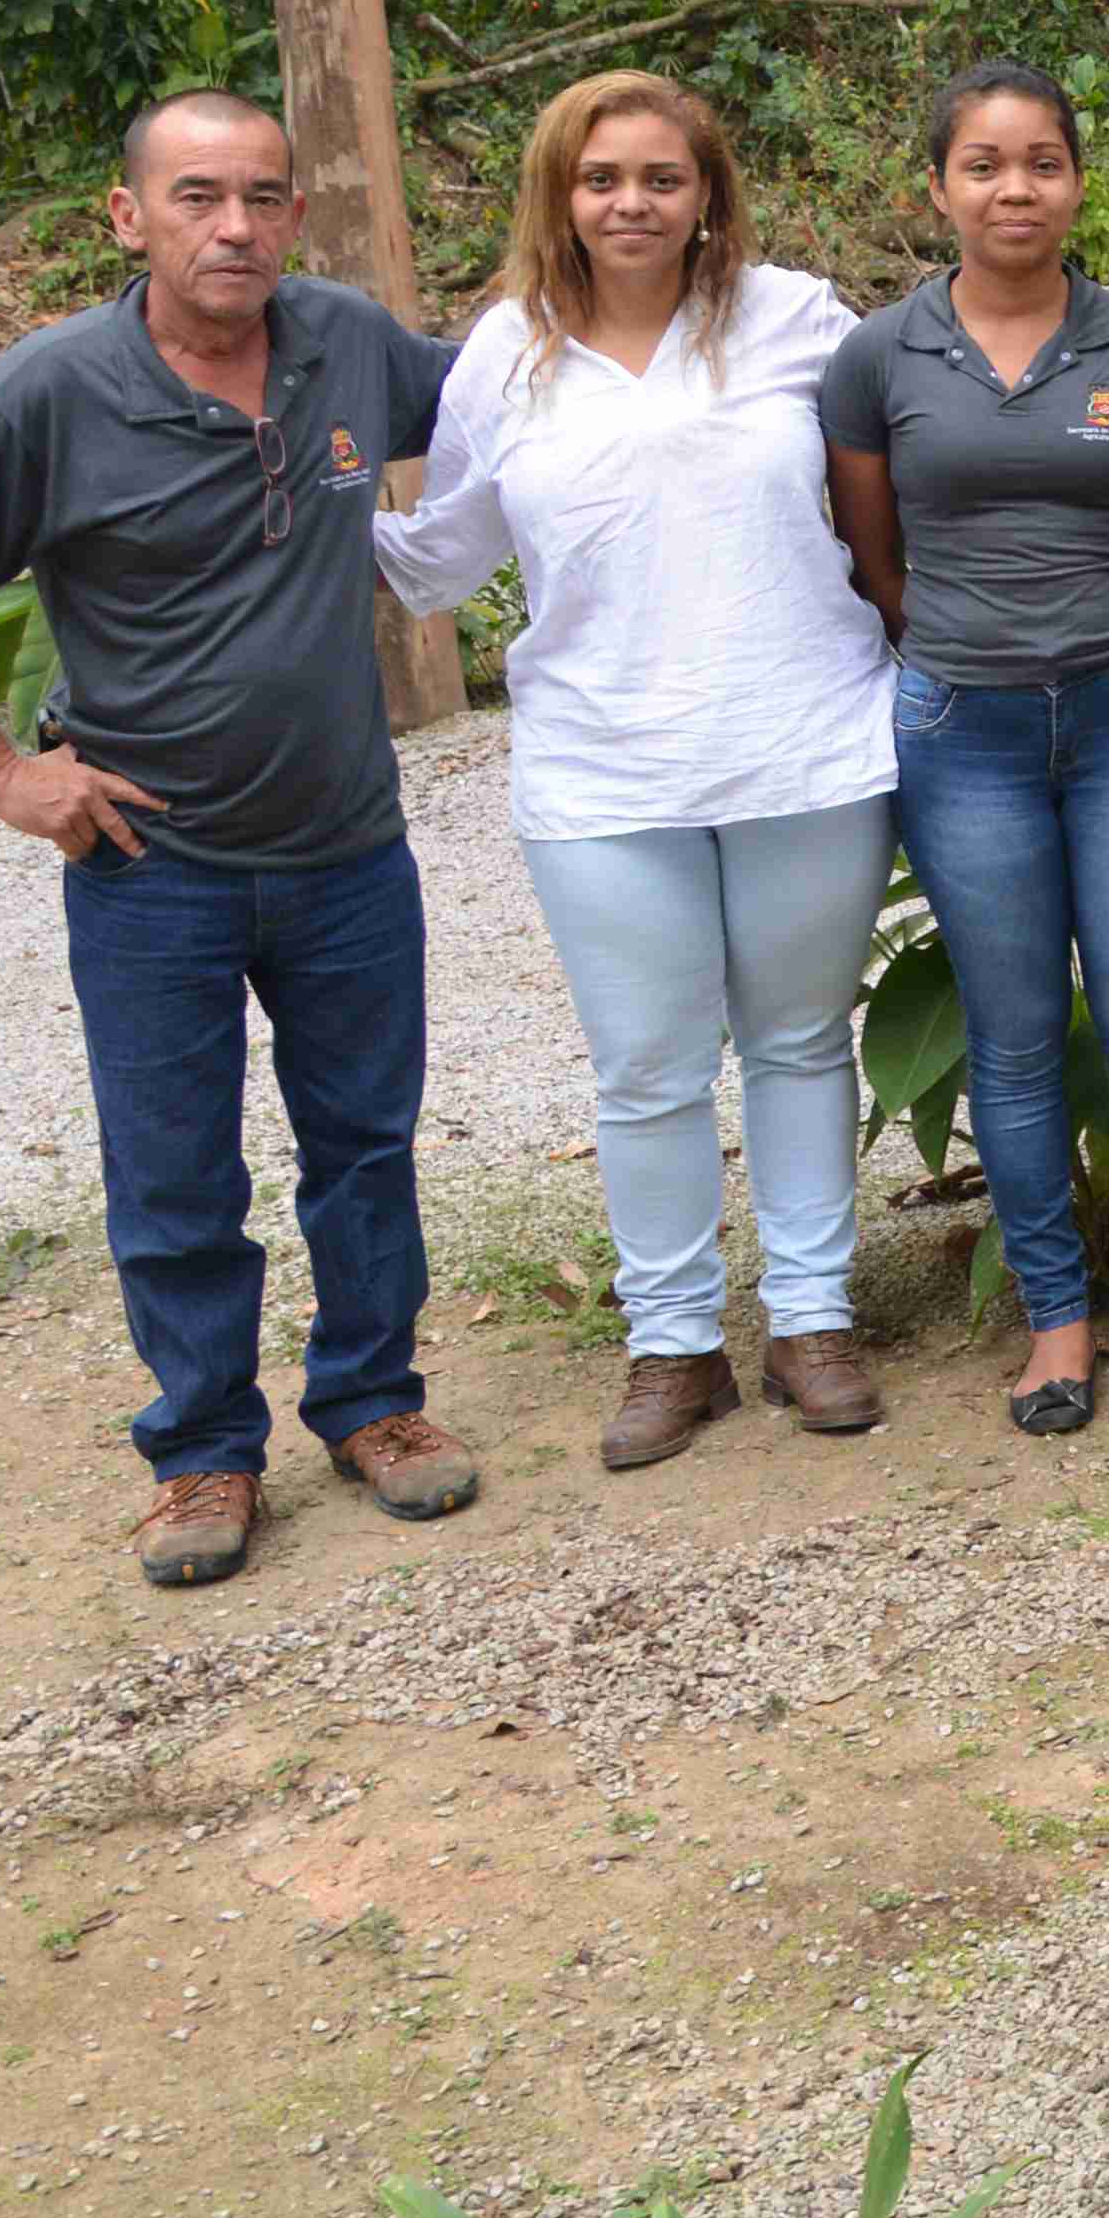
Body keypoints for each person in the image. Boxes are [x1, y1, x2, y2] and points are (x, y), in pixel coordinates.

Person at [0, 91, 478, 1591]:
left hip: (346, 852)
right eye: (196, 197)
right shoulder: (46, 394)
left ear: (293, 218)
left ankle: (375, 1405)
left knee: (365, 1149)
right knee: (175, 1172)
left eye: (261, 196)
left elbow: (528, 398)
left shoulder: (347, 345)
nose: (234, 226)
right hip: (150, 867)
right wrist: (4, 775)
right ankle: (202, 1453)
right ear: (129, 217)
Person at [377, 73, 898, 1469]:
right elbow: (442, 557)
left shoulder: (798, 317)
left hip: (804, 739)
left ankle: (810, 1317)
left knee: (797, 1038)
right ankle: (674, 1345)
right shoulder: (505, 353)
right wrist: (325, 488)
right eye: (601, 179)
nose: (631, 203)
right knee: (648, 1068)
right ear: (560, 194)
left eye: (662, 178)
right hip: (603, 767)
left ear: (708, 193)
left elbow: (909, 452)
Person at [822, 61, 1109, 1438]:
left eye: (1044, 162)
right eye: (986, 164)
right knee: (1008, 1042)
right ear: (935, 187)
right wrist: (970, 651)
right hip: (964, 732)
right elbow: (873, 558)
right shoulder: (881, 359)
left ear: (1075, 180)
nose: (1017, 188)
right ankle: (1057, 1325)